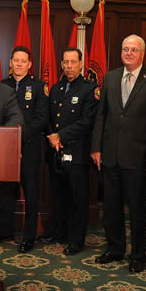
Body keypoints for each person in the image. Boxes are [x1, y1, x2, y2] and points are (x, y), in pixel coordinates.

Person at [90, 35, 146, 272]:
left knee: (137, 209)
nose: (129, 53)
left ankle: (138, 255)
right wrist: (96, 147)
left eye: (134, 50)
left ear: (142, 53)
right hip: (110, 154)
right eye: (125, 49)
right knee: (111, 207)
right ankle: (114, 249)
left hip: (137, 156)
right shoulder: (111, 77)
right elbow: (101, 114)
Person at [40, 47, 98, 256]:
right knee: (58, 195)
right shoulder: (55, 88)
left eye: (73, 62)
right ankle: (58, 231)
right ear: (61, 65)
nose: (69, 66)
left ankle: (76, 239)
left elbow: (86, 122)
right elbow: (47, 117)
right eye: (66, 62)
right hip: (56, 151)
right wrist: (51, 136)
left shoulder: (90, 89)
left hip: (77, 152)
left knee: (78, 199)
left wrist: (60, 136)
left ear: (81, 64)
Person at [0, 46, 49, 251]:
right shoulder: (1, 86)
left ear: (29, 64)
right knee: (6, 192)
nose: (18, 64)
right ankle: (4, 231)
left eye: (23, 61)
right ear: (10, 63)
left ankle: (29, 236)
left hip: (29, 148)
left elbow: (42, 119)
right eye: (15, 60)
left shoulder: (38, 87)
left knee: (31, 193)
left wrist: (18, 136)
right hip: (4, 148)